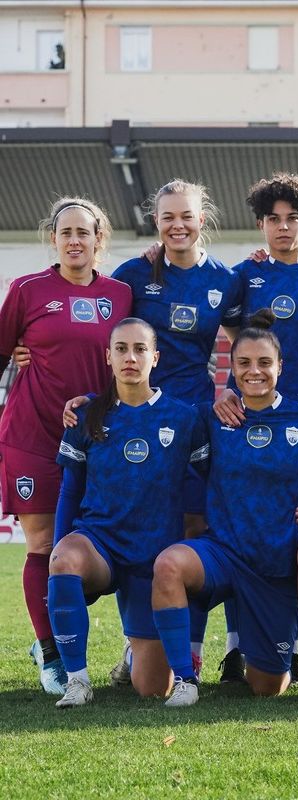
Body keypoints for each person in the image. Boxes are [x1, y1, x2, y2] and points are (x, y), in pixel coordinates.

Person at [59, 180, 242, 686]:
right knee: (138, 530)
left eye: (186, 216)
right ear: (155, 222)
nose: (177, 225)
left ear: (202, 219)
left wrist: (231, 392)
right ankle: (134, 642)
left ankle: (199, 651)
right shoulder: (135, 274)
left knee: (193, 530)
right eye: (167, 217)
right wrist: (91, 396)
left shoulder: (225, 280)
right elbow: (113, 341)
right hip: (134, 421)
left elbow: (249, 341)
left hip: (195, 420)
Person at [151, 309, 298, 706]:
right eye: (243, 363)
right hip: (223, 553)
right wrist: (89, 403)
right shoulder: (211, 417)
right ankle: (186, 679)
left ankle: (264, 651)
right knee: (170, 565)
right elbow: (151, 410)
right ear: (231, 368)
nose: (254, 371)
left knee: (267, 687)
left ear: (280, 366)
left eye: (264, 362)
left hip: (274, 565)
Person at [0, 197, 132, 694]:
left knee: (91, 549)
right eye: (66, 232)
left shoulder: (120, 294)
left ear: (100, 239)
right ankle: (51, 653)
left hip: (98, 442)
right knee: (41, 545)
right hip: (31, 437)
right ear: (53, 239)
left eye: (84, 232)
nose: (75, 240)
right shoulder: (27, 290)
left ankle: (132, 643)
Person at [213, 173, 298, 680]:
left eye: (292, 218)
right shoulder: (245, 275)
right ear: (261, 225)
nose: (283, 227)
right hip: (254, 415)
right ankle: (238, 646)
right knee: (248, 527)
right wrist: (229, 388)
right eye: (273, 219)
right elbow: (233, 335)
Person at [47, 317, 209, 708]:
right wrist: (57, 552)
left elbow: (202, 490)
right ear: (108, 357)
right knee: (65, 559)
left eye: (140, 350)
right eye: (121, 349)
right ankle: (77, 681)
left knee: (152, 688)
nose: (130, 358)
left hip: (153, 557)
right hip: (100, 544)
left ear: (156, 357)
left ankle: (134, 653)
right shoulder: (86, 415)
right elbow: (70, 491)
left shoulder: (184, 418)